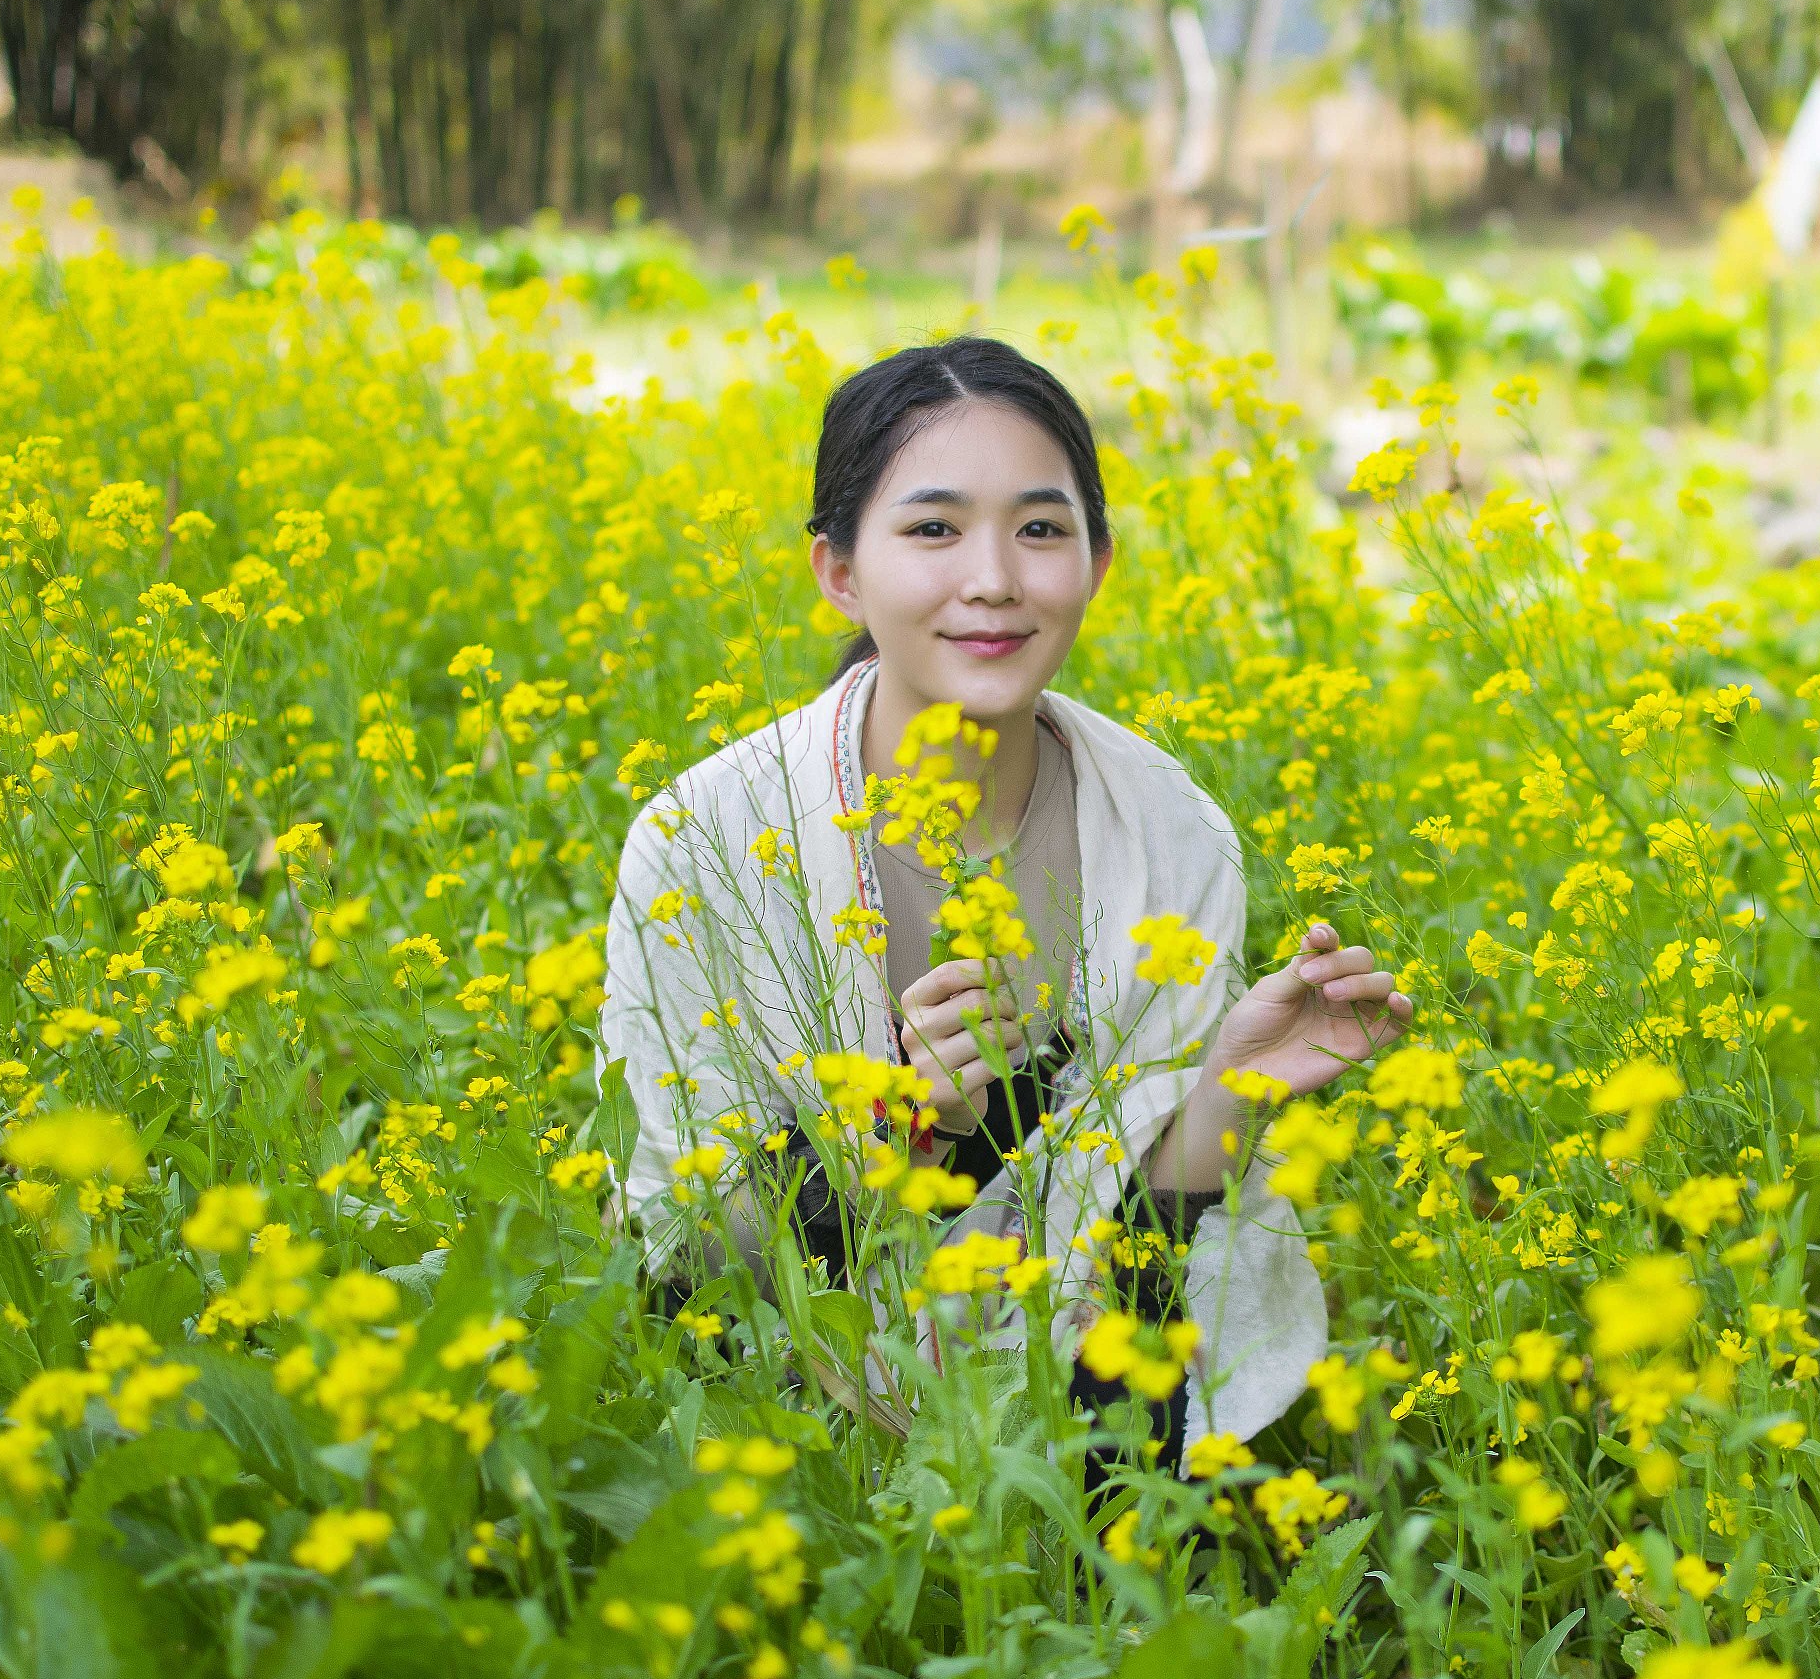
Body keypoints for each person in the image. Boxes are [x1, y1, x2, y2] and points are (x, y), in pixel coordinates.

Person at [599, 336, 1411, 1471]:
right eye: (933, 529)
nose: (995, 578)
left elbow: (1136, 1245)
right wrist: (886, 1129)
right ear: (839, 570)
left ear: (1098, 559)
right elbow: (682, 1255)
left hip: (1075, 1394)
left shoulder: (1170, 837)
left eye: (1040, 528)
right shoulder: (704, 844)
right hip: (789, 1412)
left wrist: (1233, 1087)